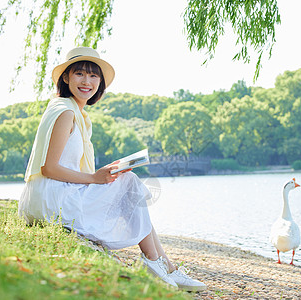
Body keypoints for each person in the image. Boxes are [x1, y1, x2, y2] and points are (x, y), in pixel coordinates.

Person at [18, 46, 206, 291]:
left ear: (100, 82)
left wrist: (103, 173)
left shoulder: (73, 111)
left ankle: (164, 265)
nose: (87, 81)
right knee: (131, 184)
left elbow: (64, 166)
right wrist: (95, 179)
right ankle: (156, 263)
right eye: (80, 74)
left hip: (53, 195)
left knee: (128, 183)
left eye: (94, 76)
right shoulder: (65, 112)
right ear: (66, 77)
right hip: (52, 200)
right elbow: (49, 168)